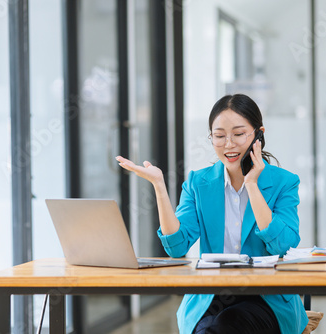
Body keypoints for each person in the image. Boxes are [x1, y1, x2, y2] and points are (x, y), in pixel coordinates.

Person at [116, 94, 309, 334]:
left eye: (239, 134)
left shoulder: (284, 182)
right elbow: (176, 247)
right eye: (219, 136)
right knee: (214, 328)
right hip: (211, 296)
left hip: (266, 297)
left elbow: (283, 245)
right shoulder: (199, 183)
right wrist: (158, 186)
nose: (228, 144)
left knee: (226, 326)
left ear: (258, 135)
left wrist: (252, 185)